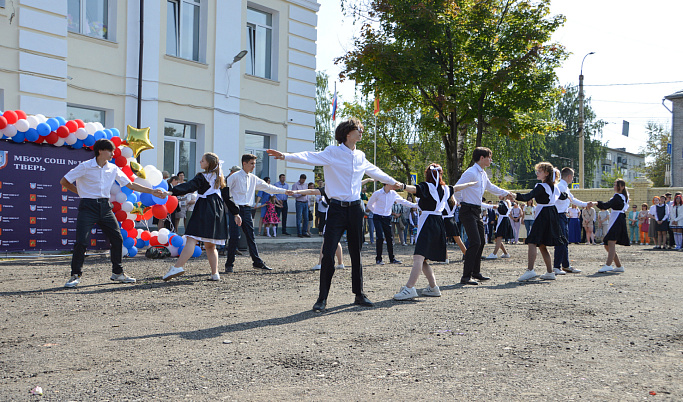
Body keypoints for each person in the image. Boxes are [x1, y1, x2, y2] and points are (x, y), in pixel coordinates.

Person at [267, 117, 403, 312]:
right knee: (328, 253)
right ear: (348, 133)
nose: (361, 132)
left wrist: (394, 182)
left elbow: (375, 172)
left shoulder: (361, 156)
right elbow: (308, 155)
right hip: (336, 210)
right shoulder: (332, 152)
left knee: (356, 253)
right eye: (359, 129)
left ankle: (359, 294)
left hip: (356, 209)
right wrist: (286, 156)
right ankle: (322, 298)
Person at [60, 139, 167, 288]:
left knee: (117, 238)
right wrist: (81, 193)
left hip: (105, 207)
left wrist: (152, 191)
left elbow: (130, 184)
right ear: (100, 151)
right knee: (81, 242)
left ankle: (117, 273)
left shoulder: (113, 168)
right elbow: (64, 181)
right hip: (87, 207)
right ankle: (75, 275)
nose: (113, 153)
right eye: (110, 151)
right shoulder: (85, 166)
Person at [393, 164, 476, 300]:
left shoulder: (427, 186)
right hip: (438, 222)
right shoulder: (445, 189)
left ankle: (409, 289)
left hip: (428, 222)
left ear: (428, 174)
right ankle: (433, 287)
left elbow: (414, 189)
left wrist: (402, 186)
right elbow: (456, 188)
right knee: (423, 259)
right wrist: (470, 184)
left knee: (418, 257)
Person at [163, 153, 241, 281]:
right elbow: (228, 197)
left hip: (204, 208)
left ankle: (178, 267)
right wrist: (236, 213)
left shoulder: (202, 176)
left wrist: (172, 192)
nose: (200, 161)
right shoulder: (220, 178)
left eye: (202, 160)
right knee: (210, 245)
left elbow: (189, 187)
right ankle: (215, 273)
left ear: (208, 164)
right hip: (217, 210)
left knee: (191, 239)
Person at [454, 147, 513, 285]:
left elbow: (491, 187)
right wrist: (461, 201)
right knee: (475, 241)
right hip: (467, 210)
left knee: (481, 241)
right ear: (482, 158)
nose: (491, 160)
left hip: (476, 210)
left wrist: (506, 193)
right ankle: (465, 276)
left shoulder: (482, 173)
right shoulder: (471, 172)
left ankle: (476, 272)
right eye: (489, 157)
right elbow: (456, 188)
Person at [225, 154, 293, 272]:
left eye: (254, 164)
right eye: (252, 164)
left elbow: (268, 187)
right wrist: (231, 210)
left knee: (251, 236)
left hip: (247, 209)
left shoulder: (253, 178)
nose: (254, 166)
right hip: (235, 209)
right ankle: (229, 264)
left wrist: (284, 191)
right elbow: (225, 192)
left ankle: (257, 262)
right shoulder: (234, 177)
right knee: (234, 236)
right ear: (244, 164)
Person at [515, 162, 568, 281]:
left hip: (543, 214)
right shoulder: (555, 187)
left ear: (547, 173)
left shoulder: (540, 186)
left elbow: (527, 197)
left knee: (532, 241)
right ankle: (550, 272)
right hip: (552, 214)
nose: (537, 173)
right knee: (542, 244)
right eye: (537, 171)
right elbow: (564, 196)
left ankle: (530, 270)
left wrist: (513, 195)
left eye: (540, 171)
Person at [294, 185, 345, 271]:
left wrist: (297, 192)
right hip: (340, 216)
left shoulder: (330, 188)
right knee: (336, 241)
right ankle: (340, 263)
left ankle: (320, 263)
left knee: (326, 241)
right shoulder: (341, 188)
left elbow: (312, 191)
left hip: (332, 217)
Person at [552, 167, 591, 275]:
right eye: (572, 177)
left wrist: (585, 204)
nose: (573, 179)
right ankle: (556, 266)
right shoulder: (560, 186)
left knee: (564, 241)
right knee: (561, 241)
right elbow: (557, 199)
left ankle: (565, 265)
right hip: (558, 216)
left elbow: (572, 199)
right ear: (569, 176)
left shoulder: (564, 187)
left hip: (563, 216)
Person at [367, 183, 417, 265]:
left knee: (389, 238)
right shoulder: (377, 193)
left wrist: (414, 205)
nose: (394, 186)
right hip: (378, 217)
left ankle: (392, 258)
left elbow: (403, 201)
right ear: (386, 184)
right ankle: (378, 259)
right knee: (380, 237)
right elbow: (369, 205)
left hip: (387, 218)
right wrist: (376, 211)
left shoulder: (393, 194)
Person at [596, 179, 630, 273]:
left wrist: (596, 203)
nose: (614, 186)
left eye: (616, 185)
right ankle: (618, 266)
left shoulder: (618, 197)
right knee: (607, 244)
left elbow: (606, 205)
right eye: (614, 184)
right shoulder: (621, 197)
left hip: (617, 219)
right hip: (616, 218)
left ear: (622, 187)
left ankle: (608, 265)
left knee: (611, 242)